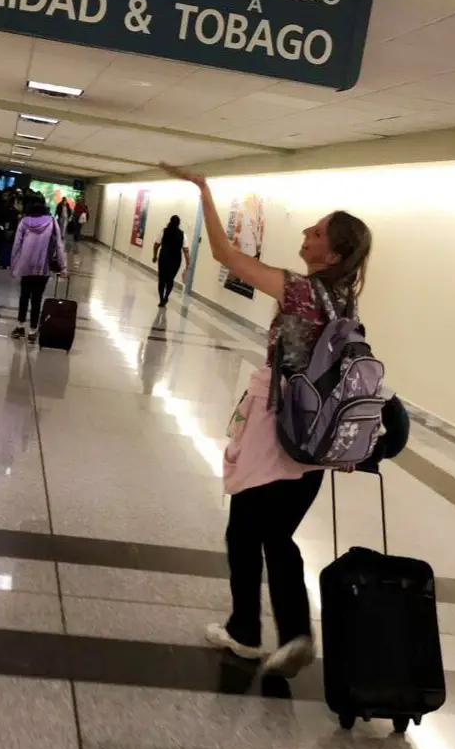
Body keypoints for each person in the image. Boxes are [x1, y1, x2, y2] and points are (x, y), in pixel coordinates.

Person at [161, 162, 372, 678]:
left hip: (279, 425)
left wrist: (204, 190)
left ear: (335, 253)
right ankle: (293, 631)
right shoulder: (345, 300)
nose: (306, 233)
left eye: (317, 232)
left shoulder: (301, 290)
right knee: (277, 535)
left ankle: (248, 633)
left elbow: (224, 254)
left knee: (244, 530)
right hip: (317, 436)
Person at [10, 194, 67, 343]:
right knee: (37, 298)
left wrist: (14, 265)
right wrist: (63, 267)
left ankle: (20, 326)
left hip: (26, 265)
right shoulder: (52, 222)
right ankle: (33, 330)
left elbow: (17, 245)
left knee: (24, 295)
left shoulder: (24, 222)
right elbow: (59, 246)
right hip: (43, 267)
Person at [152, 215, 191, 307]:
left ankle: (161, 299)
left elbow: (156, 245)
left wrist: (154, 256)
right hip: (175, 259)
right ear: (179, 224)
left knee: (162, 279)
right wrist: (188, 264)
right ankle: (166, 296)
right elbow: (186, 251)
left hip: (164, 258)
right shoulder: (183, 235)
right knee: (170, 279)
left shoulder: (164, 231)